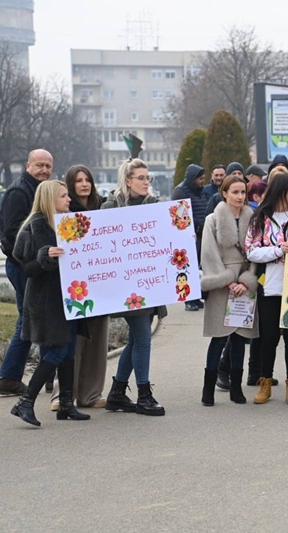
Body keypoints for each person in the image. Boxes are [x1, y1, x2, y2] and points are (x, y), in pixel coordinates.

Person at [10, 180, 90, 427]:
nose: (69, 199)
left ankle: (66, 404)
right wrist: (45, 256)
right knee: (56, 350)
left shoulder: (68, 224)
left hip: (69, 297)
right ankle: (25, 402)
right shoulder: (35, 227)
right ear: (49, 199)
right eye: (64, 196)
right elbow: (27, 268)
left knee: (67, 351)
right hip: (47, 301)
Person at [102, 159, 166, 416]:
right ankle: (143, 395)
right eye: (140, 177)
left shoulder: (156, 206)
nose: (146, 181)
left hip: (149, 284)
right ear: (127, 180)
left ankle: (117, 392)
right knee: (142, 338)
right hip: (125, 287)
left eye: (147, 177)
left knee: (137, 339)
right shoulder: (110, 206)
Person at [245, 173, 288, 405]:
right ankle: (265, 383)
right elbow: (251, 250)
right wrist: (278, 250)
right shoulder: (260, 217)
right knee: (269, 338)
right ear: (281, 191)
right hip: (269, 286)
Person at [49, 165, 109, 411]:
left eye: (88, 180)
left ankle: (90, 395)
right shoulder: (64, 213)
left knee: (97, 341)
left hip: (103, 284)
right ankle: (61, 395)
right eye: (79, 180)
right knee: (73, 341)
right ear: (70, 185)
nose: (84, 184)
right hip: (75, 288)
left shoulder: (104, 209)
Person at [0, 149, 53, 396]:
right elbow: (11, 234)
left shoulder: (40, 189)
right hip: (22, 267)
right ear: (28, 165)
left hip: (34, 266)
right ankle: (9, 378)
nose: (44, 170)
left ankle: (46, 374)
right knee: (28, 320)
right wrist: (33, 259)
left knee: (36, 318)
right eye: (39, 165)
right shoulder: (19, 192)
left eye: (48, 166)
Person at [200, 175, 258, 406]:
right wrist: (226, 280)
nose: (240, 197)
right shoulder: (213, 219)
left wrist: (246, 280)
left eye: (243, 192)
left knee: (239, 337)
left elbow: (256, 250)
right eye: (235, 192)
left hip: (244, 285)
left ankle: (236, 386)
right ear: (224, 193)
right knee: (218, 337)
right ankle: (208, 388)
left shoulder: (252, 218)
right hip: (221, 283)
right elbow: (208, 253)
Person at [172, 164, 207, 311]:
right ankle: (189, 300)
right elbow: (179, 216)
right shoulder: (180, 192)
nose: (202, 182)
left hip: (201, 235)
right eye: (200, 179)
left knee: (197, 268)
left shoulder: (200, 191)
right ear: (193, 179)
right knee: (188, 269)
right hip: (188, 237)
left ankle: (196, 297)